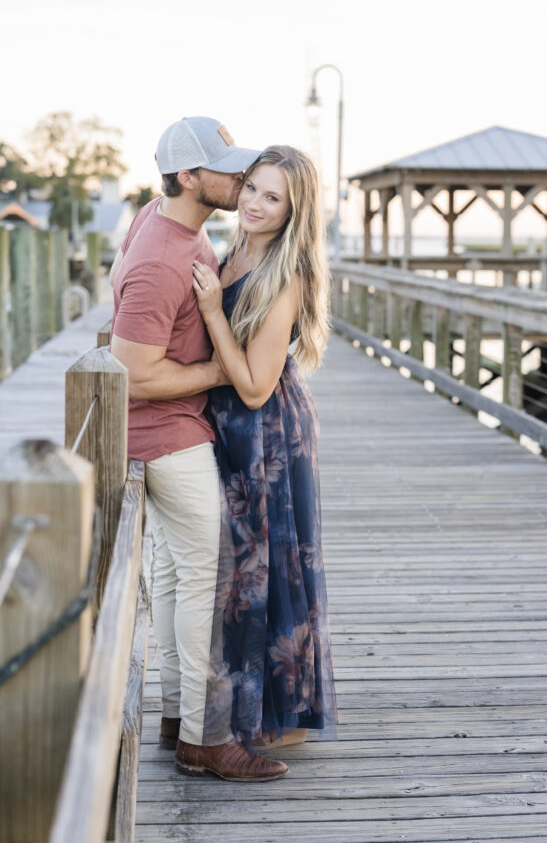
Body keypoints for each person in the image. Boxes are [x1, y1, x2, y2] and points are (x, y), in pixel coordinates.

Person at [110, 116, 289, 782]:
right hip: (169, 437)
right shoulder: (162, 255)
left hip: (167, 431)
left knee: (173, 575)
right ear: (189, 177)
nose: (241, 180)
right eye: (228, 170)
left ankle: (177, 716)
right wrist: (218, 373)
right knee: (204, 585)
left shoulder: (165, 220)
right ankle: (206, 739)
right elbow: (132, 371)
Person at [190, 145, 337, 757]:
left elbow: (253, 385)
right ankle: (232, 710)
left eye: (271, 197)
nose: (252, 203)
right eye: (250, 187)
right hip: (227, 425)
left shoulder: (288, 273)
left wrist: (209, 311)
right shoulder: (233, 247)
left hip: (267, 432)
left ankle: (274, 714)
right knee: (238, 565)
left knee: (267, 564)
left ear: (293, 210)